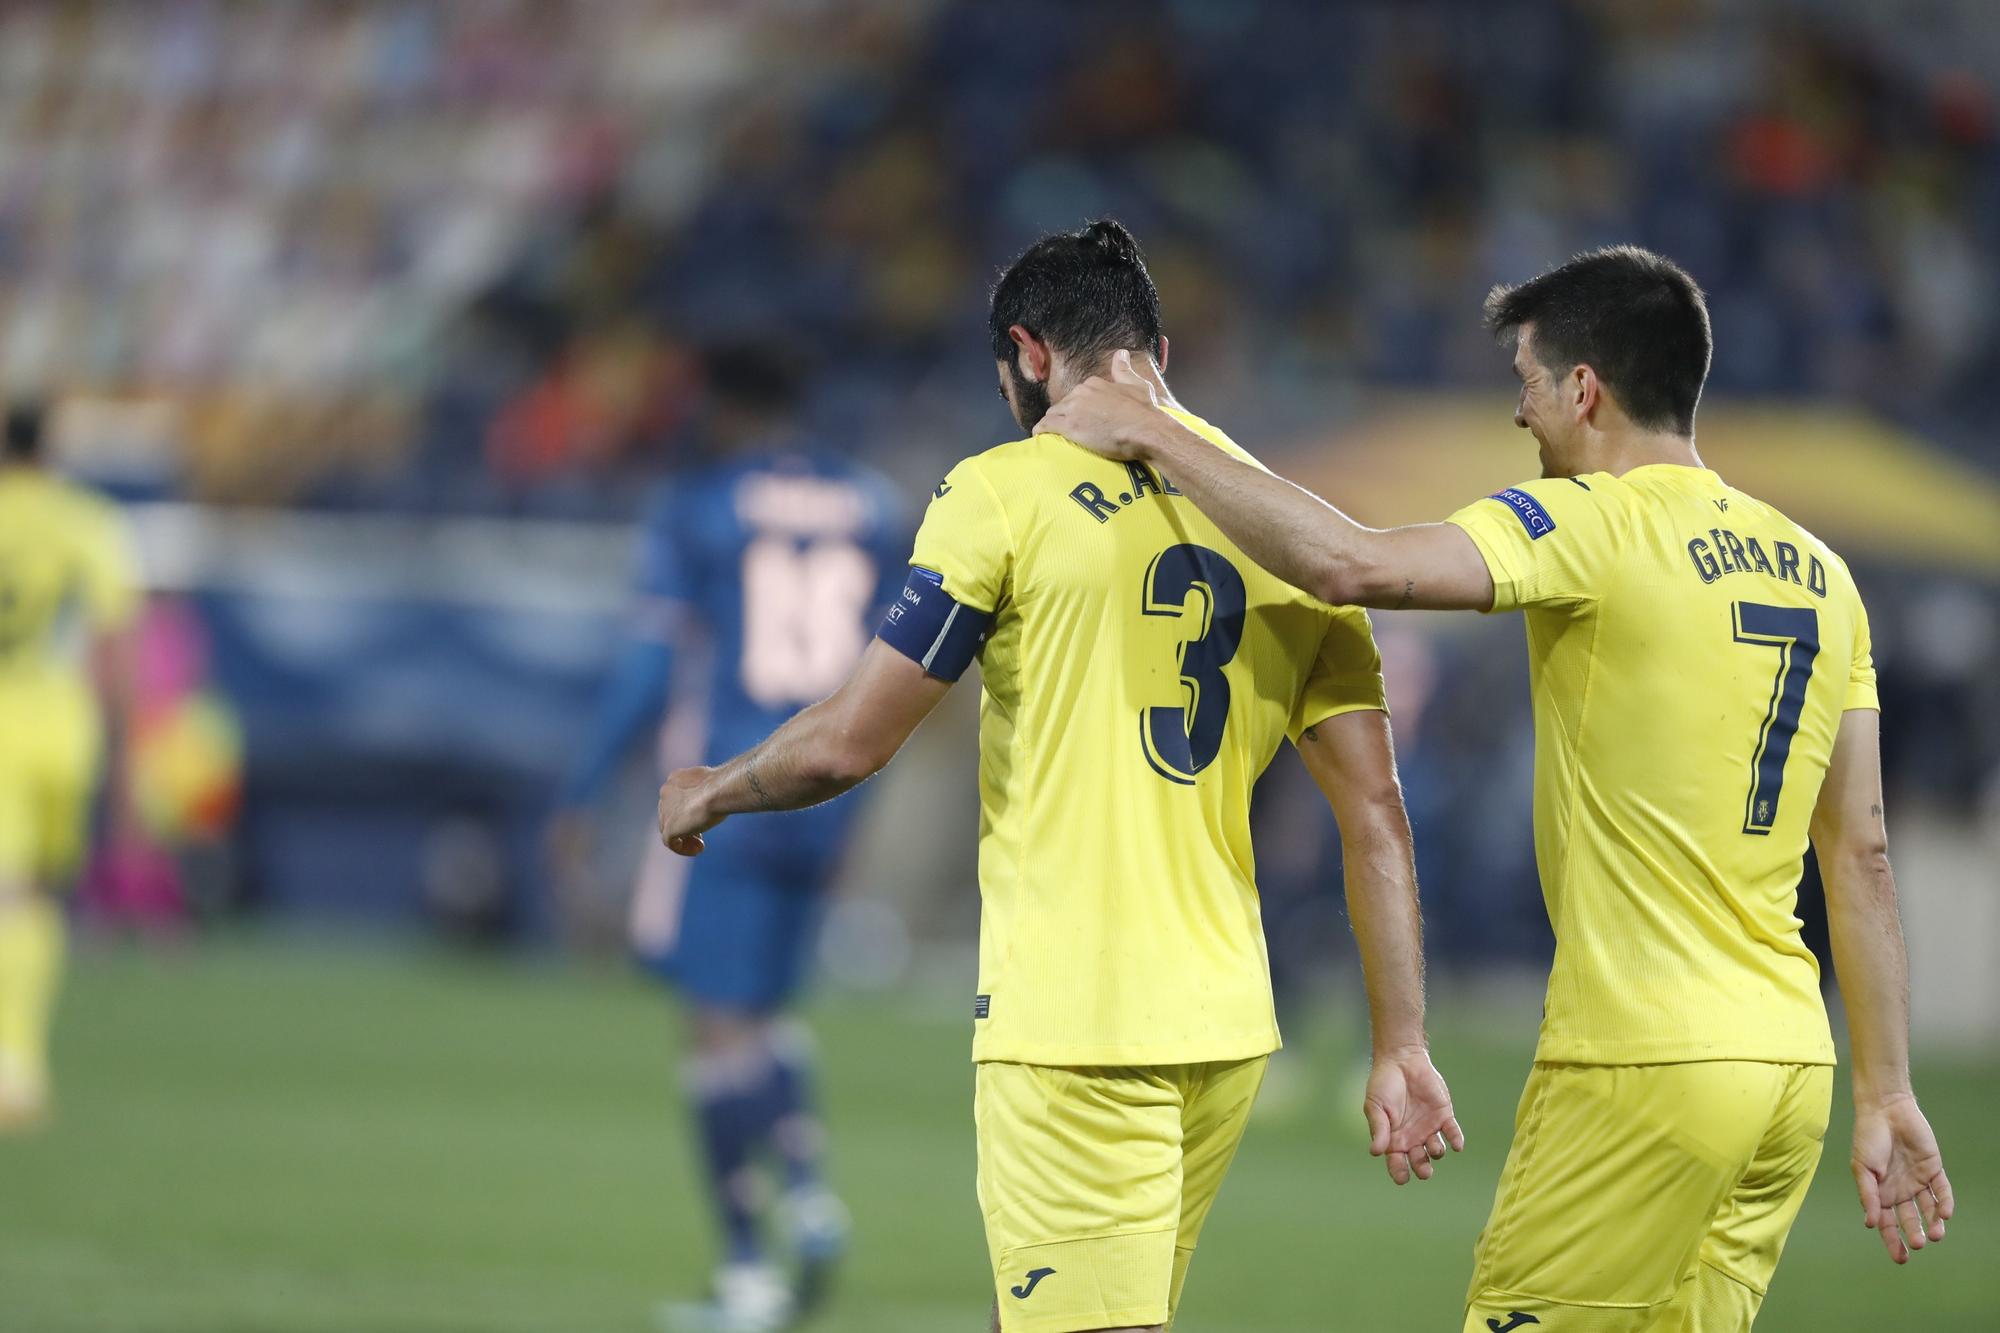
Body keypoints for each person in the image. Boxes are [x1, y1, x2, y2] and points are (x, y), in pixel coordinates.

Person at [1037, 245, 1955, 1330]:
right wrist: (1884, 1088)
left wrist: (1151, 429)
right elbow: (1858, 852)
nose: (1518, 418)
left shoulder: (1593, 524)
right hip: (1788, 1070)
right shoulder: (1819, 571)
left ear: (1583, 388)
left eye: (1523, 383)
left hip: (1641, 1060)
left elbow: (1351, 564)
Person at [654, 220, 1463, 1333]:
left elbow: (850, 740)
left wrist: (712, 787)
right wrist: (1400, 1040)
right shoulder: (1286, 522)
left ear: (1028, 356)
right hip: (1223, 1027)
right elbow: (1375, 810)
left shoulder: (1001, 494)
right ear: (1159, 356)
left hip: (1082, 1026)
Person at [549, 343, 906, 1332]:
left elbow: (646, 668)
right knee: (770, 1011)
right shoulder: (872, 505)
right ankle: (805, 1187)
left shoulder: (700, 504)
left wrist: (580, 796)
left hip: (729, 788)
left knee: (713, 1024)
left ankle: (750, 1268)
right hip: (828, 785)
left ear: (721, 408)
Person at [0, 402, 141, 1130]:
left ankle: (13, 1060)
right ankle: (18, 1060)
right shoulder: (89, 521)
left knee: (8, 893)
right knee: (36, 896)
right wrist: (125, 752)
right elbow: (115, 644)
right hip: (64, 728)